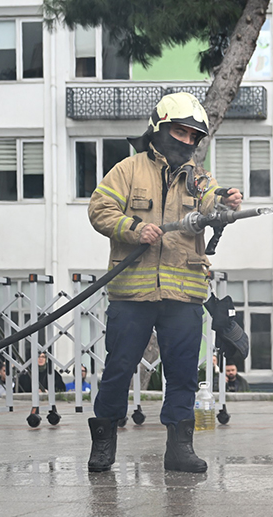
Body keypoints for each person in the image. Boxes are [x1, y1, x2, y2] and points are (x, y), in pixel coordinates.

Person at [86, 92, 242, 474]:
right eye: (180, 132)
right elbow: (99, 209)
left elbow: (211, 202)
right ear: (159, 129)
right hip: (132, 293)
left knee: (184, 372)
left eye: (193, 136)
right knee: (119, 368)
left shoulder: (200, 178)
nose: (186, 141)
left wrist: (225, 201)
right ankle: (104, 443)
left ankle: (179, 448)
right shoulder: (128, 170)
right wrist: (134, 229)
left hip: (184, 293)